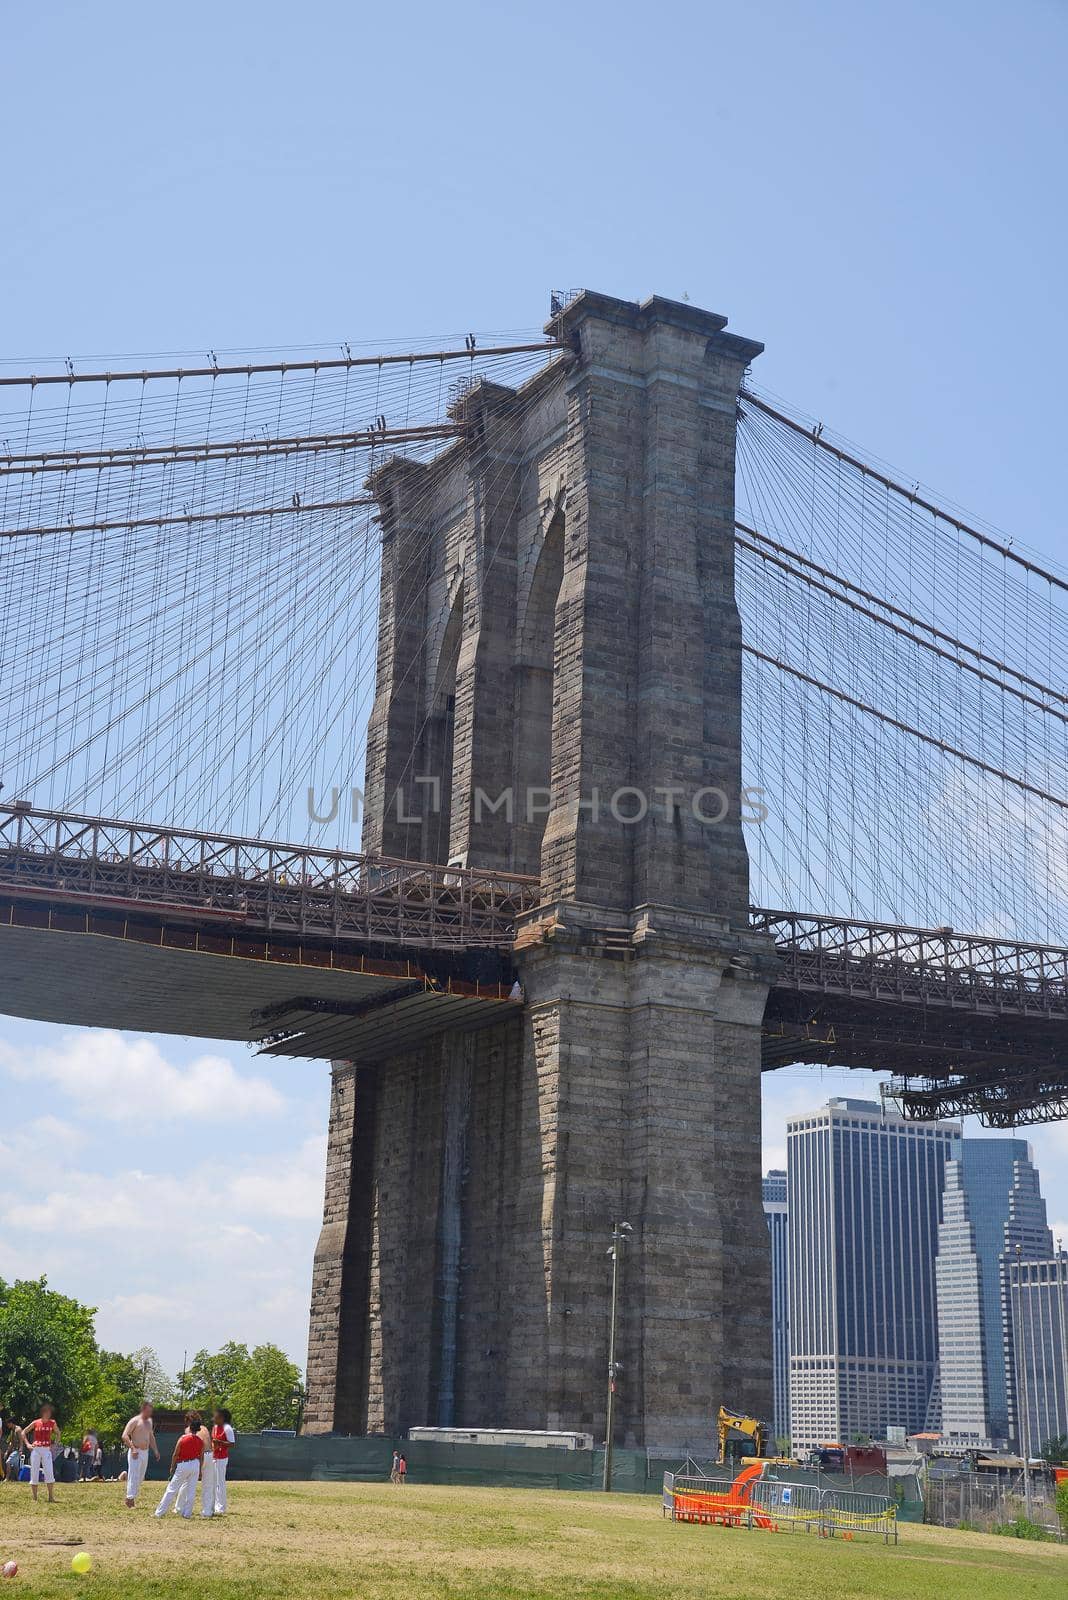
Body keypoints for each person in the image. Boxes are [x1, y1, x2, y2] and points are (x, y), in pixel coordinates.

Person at [153, 1414, 203, 1520]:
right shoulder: (200, 1441)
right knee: (191, 1490)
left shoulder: (183, 1438)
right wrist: (200, 1470)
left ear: (190, 1427)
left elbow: (175, 1454)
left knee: (171, 1489)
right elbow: (201, 1456)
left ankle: (159, 1513)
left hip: (183, 1464)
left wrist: (172, 1466)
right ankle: (187, 1514)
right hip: (195, 1464)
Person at [121, 1402, 159, 1507]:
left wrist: (155, 1450)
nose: (149, 1413)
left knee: (141, 1476)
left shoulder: (149, 1422)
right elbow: (124, 1435)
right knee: (134, 1475)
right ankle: (130, 1499)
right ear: (143, 1409)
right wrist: (132, 1448)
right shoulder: (135, 1421)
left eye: (151, 1411)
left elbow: (151, 1437)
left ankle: (132, 1496)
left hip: (145, 1452)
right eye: (148, 1411)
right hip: (135, 1452)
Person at [19, 1403, 60, 1503]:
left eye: (50, 1411)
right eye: (46, 1411)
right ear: (43, 1412)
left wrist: (55, 1445)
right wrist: (27, 1444)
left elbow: (58, 1433)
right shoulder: (36, 1422)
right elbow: (23, 1432)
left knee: (49, 1471)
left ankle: (50, 1497)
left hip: (46, 1449)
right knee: (34, 1471)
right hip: (36, 1449)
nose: (48, 1413)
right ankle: (34, 1497)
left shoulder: (52, 1423)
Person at [210, 1409, 236, 1514]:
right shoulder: (215, 1427)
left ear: (222, 1418)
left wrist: (220, 1442)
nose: (213, 1419)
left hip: (222, 1458)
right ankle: (214, 1505)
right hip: (214, 1457)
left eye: (216, 1417)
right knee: (214, 1483)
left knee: (220, 1483)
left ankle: (221, 1507)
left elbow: (232, 1444)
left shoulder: (227, 1428)